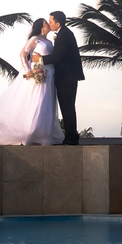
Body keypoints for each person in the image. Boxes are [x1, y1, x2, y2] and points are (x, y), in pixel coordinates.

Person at [0, 18, 64, 146]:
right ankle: (29, 131)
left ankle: (42, 133)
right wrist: (28, 70)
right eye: (46, 23)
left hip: (49, 75)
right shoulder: (35, 39)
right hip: (37, 73)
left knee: (47, 102)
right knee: (36, 100)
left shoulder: (49, 41)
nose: (48, 24)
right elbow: (23, 54)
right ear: (42, 26)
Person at [48, 10, 84, 145]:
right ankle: (70, 136)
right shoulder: (64, 33)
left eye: (51, 22)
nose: (50, 24)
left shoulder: (64, 35)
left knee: (67, 106)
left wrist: (40, 59)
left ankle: (72, 137)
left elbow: (58, 57)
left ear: (58, 23)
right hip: (67, 77)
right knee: (67, 106)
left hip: (67, 77)